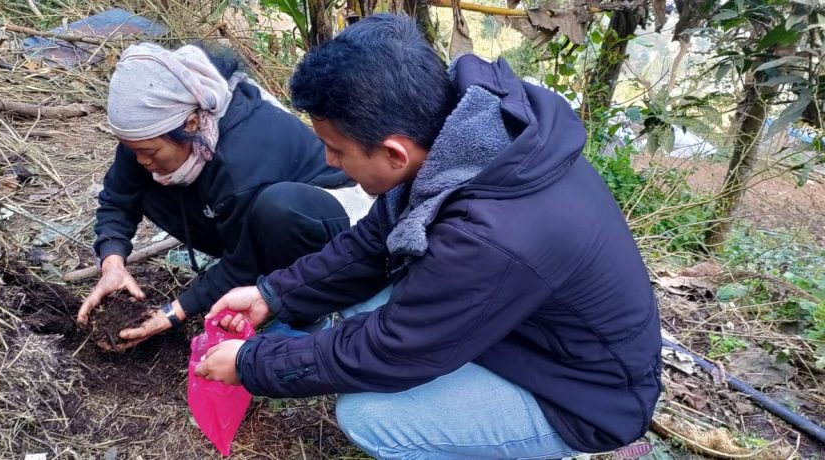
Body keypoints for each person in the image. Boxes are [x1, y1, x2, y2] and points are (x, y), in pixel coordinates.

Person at [194, 14, 662, 459]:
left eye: (336, 149)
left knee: (370, 417)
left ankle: (525, 443)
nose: (329, 161)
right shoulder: (460, 132)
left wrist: (252, 363)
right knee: (362, 299)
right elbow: (371, 243)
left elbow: (391, 349)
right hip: (522, 331)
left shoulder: (488, 233)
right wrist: (273, 295)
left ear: (394, 153)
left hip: (583, 396)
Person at [78, 42, 372, 351]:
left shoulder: (239, 160)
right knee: (148, 185)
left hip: (331, 220)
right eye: (133, 149)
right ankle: (256, 279)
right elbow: (118, 197)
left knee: (279, 211)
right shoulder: (151, 133)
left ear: (191, 124)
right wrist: (112, 262)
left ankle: (307, 313)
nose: (142, 160)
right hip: (252, 213)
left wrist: (172, 313)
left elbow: (244, 262)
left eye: (148, 151)